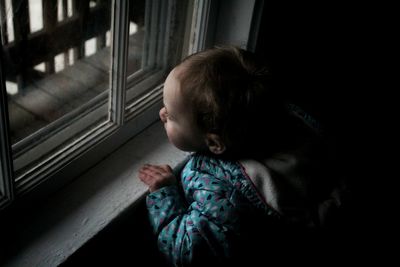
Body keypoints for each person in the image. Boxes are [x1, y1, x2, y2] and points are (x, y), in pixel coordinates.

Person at [138, 46, 347, 266]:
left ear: (214, 143)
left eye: (170, 115)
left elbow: (187, 250)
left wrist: (165, 195)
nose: (162, 113)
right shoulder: (286, 123)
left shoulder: (224, 193)